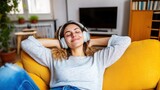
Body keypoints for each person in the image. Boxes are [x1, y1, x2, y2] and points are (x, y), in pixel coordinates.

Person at [0, 21, 131, 90]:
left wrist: (92, 40)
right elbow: (26, 43)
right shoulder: (54, 58)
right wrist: (57, 43)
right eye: (68, 34)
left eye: (77, 31)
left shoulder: (98, 59)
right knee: (7, 72)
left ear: (84, 35)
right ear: (64, 40)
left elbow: (124, 40)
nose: (73, 35)